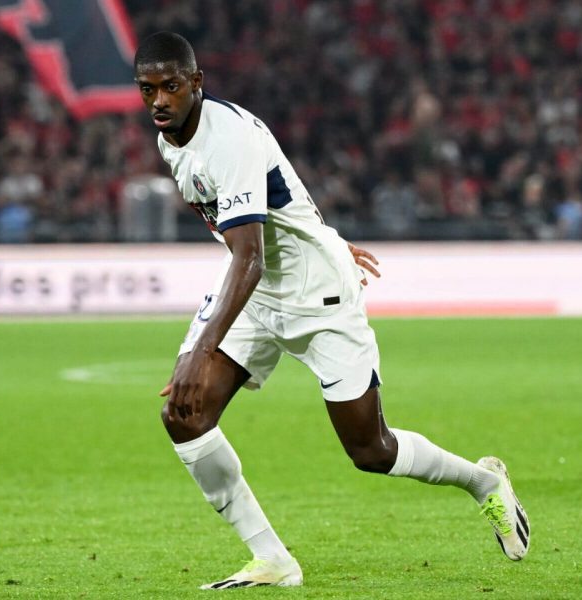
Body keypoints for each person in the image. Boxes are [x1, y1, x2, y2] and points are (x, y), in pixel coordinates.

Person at [135, 32, 530, 590]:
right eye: (148, 89)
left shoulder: (229, 139)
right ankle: (272, 559)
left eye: (171, 86)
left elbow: (249, 255)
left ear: (196, 83)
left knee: (371, 450)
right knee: (184, 415)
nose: (159, 100)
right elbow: (279, 195)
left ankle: (483, 483)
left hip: (317, 294)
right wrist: (322, 233)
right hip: (257, 291)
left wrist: (200, 349)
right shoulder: (171, 138)